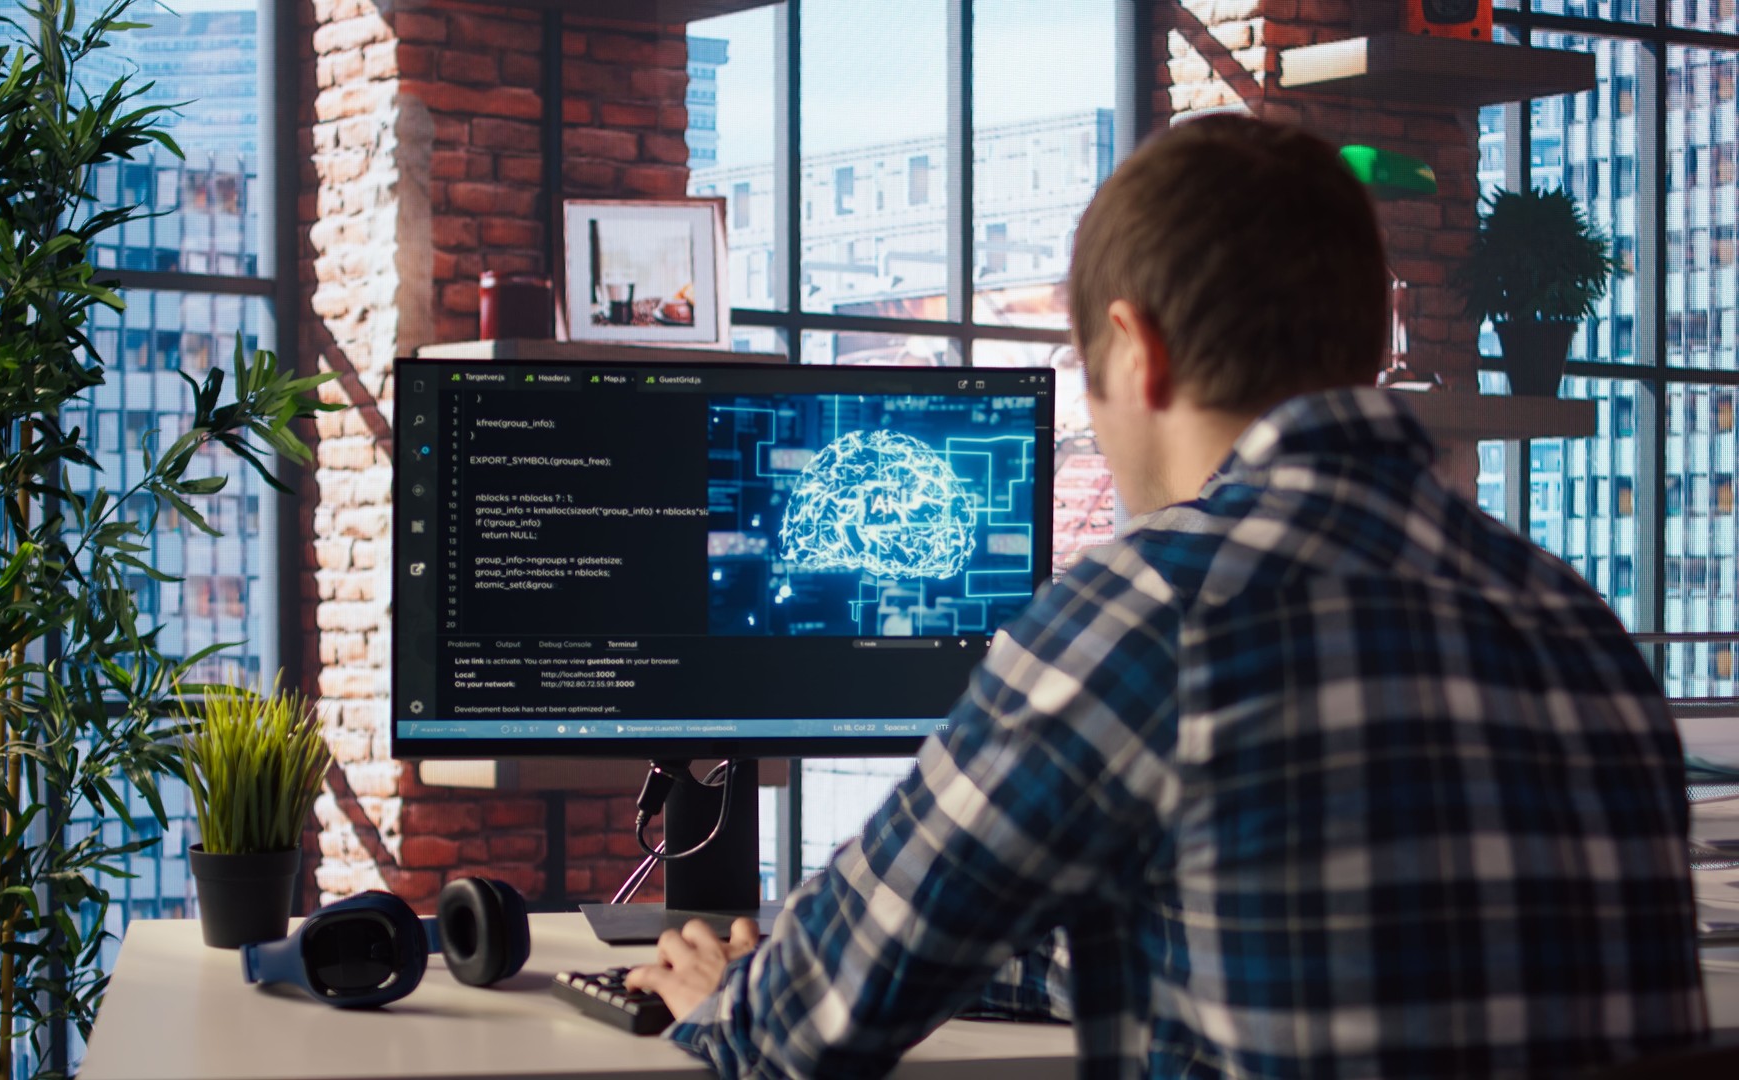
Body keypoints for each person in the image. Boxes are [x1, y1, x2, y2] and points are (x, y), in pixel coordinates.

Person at [625, 115, 1708, 1078]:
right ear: (1375, 343)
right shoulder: (1571, 618)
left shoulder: (1150, 611)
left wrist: (727, 1002)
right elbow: (1254, 940)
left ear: (1138, 354)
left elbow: (792, 1036)